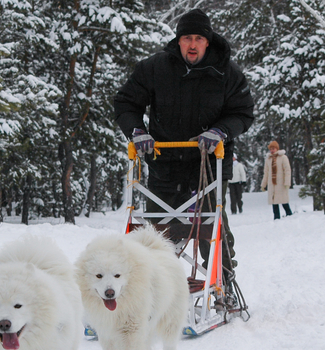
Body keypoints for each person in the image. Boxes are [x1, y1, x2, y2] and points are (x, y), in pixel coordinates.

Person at [113, 8, 255, 276]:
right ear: (178, 40)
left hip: (209, 166)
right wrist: (137, 132)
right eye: (187, 37)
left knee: (210, 227)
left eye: (199, 39)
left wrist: (220, 131)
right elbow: (126, 103)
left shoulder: (226, 73)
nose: (192, 44)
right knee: (157, 232)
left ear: (208, 41)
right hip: (164, 164)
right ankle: (156, 288)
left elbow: (243, 113)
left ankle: (223, 281)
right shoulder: (154, 68)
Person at [261, 140, 292, 219]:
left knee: (283, 200)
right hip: (272, 184)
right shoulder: (268, 159)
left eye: (273, 148)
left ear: (277, 148)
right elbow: (266, 173)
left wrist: (287, 182)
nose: (272, 150)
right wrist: (263, 184)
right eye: (270, 149)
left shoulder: (283, 157)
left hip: (281, 183)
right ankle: (276, 218)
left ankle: (290, 216)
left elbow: (287, 170)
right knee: (274, 201)